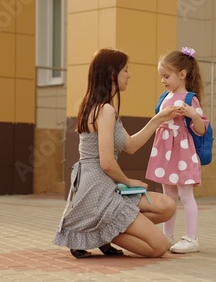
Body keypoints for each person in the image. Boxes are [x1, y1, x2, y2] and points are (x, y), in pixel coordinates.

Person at [53, 48, 180, 259]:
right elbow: (106, 162)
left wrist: (159, 118)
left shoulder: (103, 108)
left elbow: (130, 145)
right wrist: (130, 182)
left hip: (107, 186)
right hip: (97, 190)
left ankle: (102, 231)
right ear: (113, 74)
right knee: (158, 247)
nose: (129, 75)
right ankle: (99, 233)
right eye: (126, 70)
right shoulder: (105, 110)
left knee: (167, 206)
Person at [146, 47, 209, 253]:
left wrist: (193, 115)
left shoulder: (191, 99)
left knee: (186, 194)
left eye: (166, 76)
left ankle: (191, 238)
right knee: (168, 196)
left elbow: (200, 130)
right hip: (166, 151)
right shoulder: (165, 96)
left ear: (182, 75)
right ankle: (168, 236)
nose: (163, 80)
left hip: (182, 151)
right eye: (161, 76)